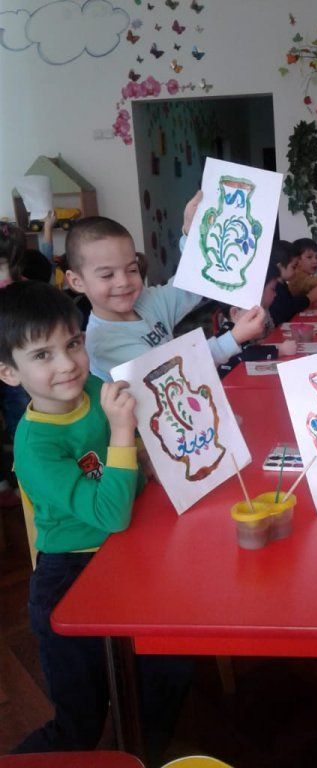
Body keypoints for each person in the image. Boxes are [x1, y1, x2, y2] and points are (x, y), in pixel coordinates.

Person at [0, 281, 192, 760]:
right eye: (42, 355)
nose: (67, 364)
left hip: (125, 551)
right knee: (79, 726)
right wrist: (124, 431)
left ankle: (140, 752)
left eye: (72, 344)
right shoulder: (35, 446)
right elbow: (110, 514)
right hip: (70, 574)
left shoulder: (90, 390)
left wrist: (143, 454)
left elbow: (119, 465)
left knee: (169, 668)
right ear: (8, 372)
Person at [64, 193, 266, 381]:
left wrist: (192, 233)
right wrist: (234, 337)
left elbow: (191, 284)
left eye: (132, 269)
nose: (123, 282)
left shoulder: (146, 300)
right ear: (76, 281)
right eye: (107, 275)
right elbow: (169, 373)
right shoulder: (103, 343)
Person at [217, 261, 297, 377]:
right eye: (254, 312)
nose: (260, 315)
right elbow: (247, 353)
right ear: (235, 313)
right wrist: (280, 350)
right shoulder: (227, 332)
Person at [268, 239, 317, 326]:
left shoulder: (282, 284)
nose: (296, 271)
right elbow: (288, 309)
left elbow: (291, 303)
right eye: (294, 267)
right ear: (280, 267)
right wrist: (309, 298)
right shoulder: (275, 287)